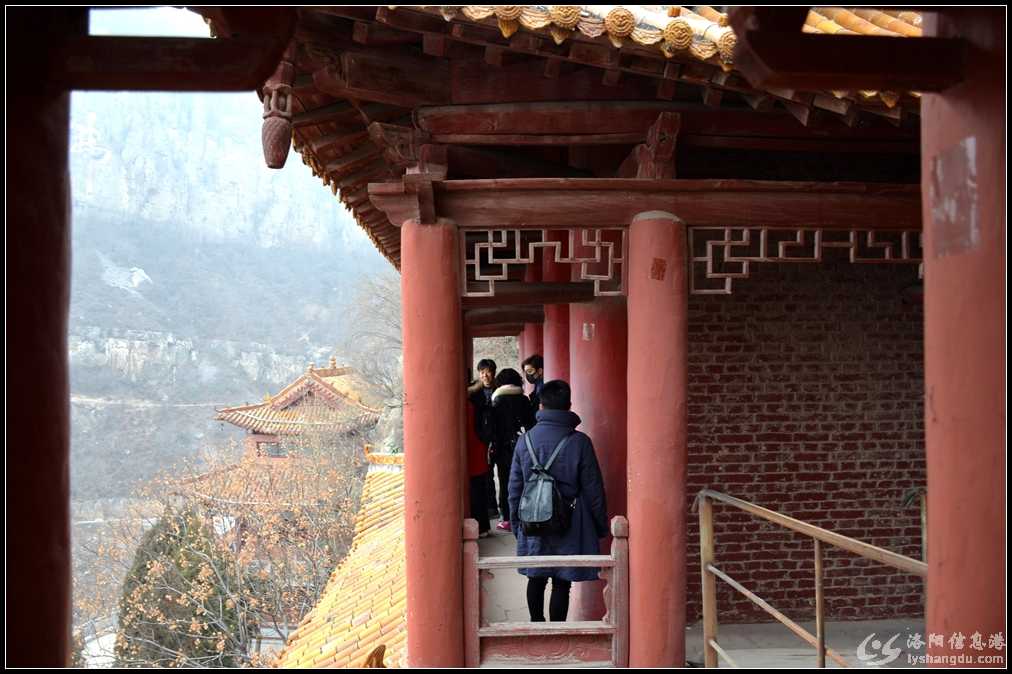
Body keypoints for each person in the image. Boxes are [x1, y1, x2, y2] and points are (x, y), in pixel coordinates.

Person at [508, 380, 608, 622]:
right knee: (562, 583)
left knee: (536, 577)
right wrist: (599, 525)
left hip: (533, 519)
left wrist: (515, 523)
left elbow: (514, 488)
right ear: (569, 406)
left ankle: (536, 628)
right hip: (570, 520)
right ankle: (557, 632)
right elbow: (593, 488)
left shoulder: (525, 441)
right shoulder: (580, 442)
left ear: (541, 405)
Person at [489, 368, 536, 532]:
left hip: (503, 449)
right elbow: (532, 423)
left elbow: (493, 428)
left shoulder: (496, 401)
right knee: (526, 480)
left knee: (505, 481)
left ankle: (508, 518)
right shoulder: (524, 400)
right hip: (525, 446)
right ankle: (528, 513)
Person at [467, 359, 497, 517]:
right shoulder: (475, 391)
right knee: (486, 473)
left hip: (499, 435)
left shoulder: (500, 388)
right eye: (482, 372)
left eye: (488, 371)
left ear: (494, 372)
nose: (485, 375)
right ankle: (491, 507)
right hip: (481, 436)